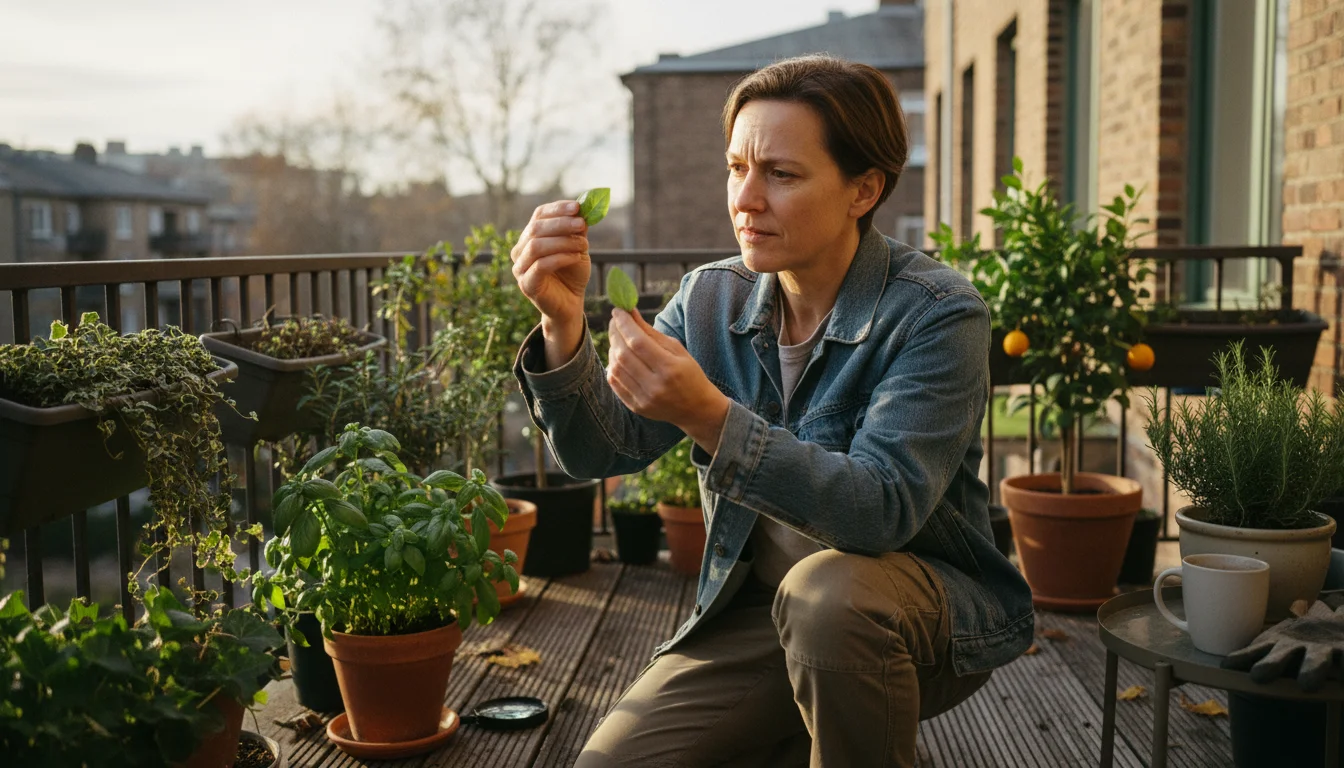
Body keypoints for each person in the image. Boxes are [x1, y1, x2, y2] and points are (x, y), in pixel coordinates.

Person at [509, 54, 1033, 768]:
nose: (745, 200)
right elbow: (602, 452)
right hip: (758, 615)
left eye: (781, 175)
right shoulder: (708, 300)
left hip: (915, 616)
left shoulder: (937, 315)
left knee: (829, 599)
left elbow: (880, 511)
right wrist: (562, 325)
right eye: (736, 168)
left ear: (863, 189)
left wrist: (710, 416)